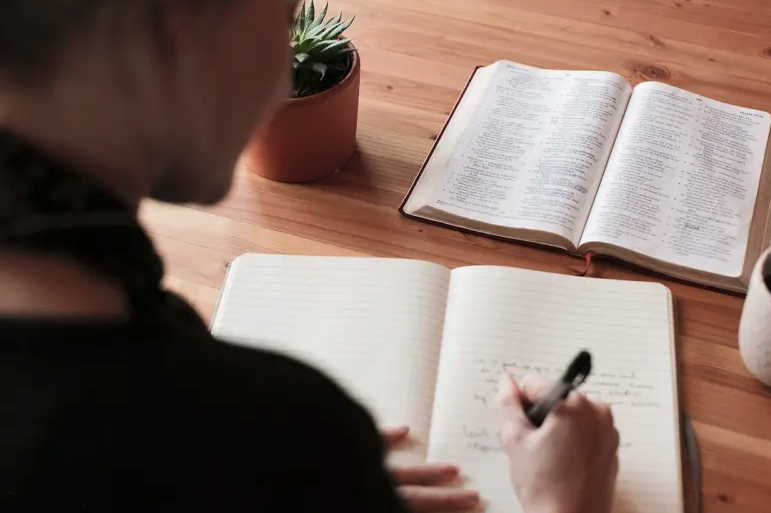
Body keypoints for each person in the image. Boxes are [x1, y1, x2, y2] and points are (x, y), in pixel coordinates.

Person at [0, 1, 619, 512]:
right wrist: (565, 502)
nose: (280, 80)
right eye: (284, 17)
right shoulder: (282, 433)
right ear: (181, 28)